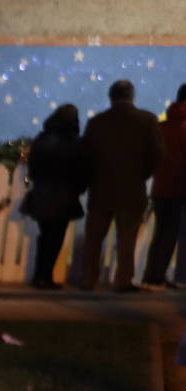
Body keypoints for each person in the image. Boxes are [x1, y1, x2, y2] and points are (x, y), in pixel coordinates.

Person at [76, 79, 166, 291]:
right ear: (132, 96)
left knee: (94, 237)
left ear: (111, 96)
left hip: (101, 189)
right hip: (132, 189)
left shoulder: (97, 122)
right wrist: (141, 174)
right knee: (127, 237)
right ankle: (122, 280)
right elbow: (158, 156)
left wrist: (93, 178)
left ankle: (88, 278)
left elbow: (85, 156)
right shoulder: (147, 120)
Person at [20, 104, 84, 289]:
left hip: (42, 194)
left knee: (45, 236)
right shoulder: (73, 143)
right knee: (55, 239)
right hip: (64, 196)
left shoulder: (42, 139)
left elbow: (33, 168)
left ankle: (40, 275)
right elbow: (80, 170)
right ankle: (45, 276)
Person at [144, 84, 186, 290]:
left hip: (160, 187)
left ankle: (151, 274)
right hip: (179, 187)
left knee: (160, 233)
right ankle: (157, 276)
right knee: (169, 234)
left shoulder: (162, 126)